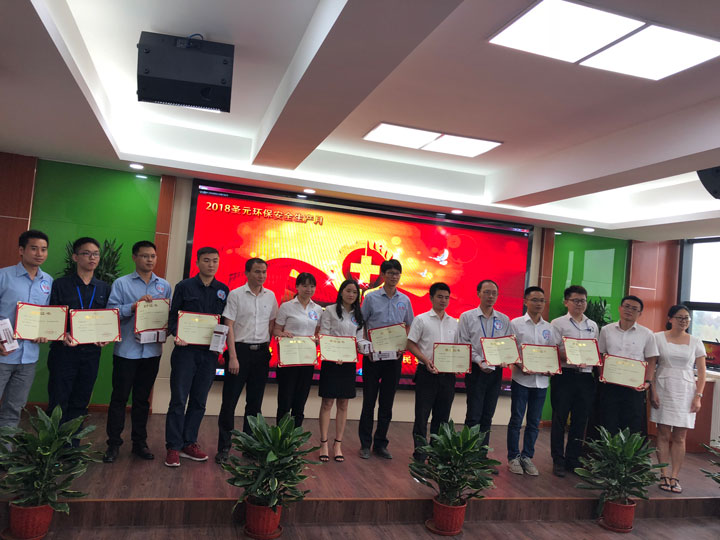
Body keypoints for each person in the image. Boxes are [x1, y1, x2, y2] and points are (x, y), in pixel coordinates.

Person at [103, 241, 171, 463]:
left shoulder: (164, 286)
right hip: (127, 352)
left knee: (142, 400)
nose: (149, 260)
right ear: (134, 257)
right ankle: (113, 444)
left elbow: (167, 316)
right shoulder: (121, 283)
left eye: (153, 256)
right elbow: (111, 312)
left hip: (152, 352)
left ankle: (139, 443)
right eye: (144, 256)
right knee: (119, 399)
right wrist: (133, 306)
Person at [165, 247, 229, 467]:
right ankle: (173, 447)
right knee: (178, 400)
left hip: (209, 354)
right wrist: (177, 334)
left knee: (199, 401)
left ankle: (189, 443)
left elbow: (224, 322)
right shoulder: (184, 286)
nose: (211, 265)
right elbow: (173, 316)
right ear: (197, 262)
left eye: (215, 261)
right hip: (186, 352)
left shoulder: (223, 290)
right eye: (207, 260)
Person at [215, 257, 277, 464]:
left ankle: (249, 446)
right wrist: (232, 356)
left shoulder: (270, 296)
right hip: (239, 352)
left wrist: (269, 347)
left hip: (261, 353)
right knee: (229, 402)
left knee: (255, 403)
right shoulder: (236, 294)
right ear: (247, 273)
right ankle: (224, 447)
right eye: (257, 271)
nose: (261, 276)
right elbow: (229, 325)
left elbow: (272, 324)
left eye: (264, 272)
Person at [47, 237, 111, 428]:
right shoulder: (60, 285)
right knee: (58, 401)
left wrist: (105, 336)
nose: (92, 258)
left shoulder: (103, 288)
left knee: (81, 401)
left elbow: (106, 319)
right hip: (64, 352)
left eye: (96, 254)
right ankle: (54, 444)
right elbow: (51, 317)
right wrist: (62, 334)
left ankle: (73, 443)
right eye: (86, 253)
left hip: (91, 353)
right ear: (75, 257)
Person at [358, 259, 414, 460]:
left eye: (397, 273)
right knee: (369, 402)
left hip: (394, 358)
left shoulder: (405, 300)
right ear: (382, 275)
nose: (393, 276)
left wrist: (403, 345)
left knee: (387, 403)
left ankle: (381, 444)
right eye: (390, 273)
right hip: (373, 357)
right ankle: (365, 444)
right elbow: (362, 323)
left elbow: (409, 325)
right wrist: (366, 347)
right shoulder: (371, 298)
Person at [650, 305, 707, 494]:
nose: (684, 321)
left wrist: (698, 396)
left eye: (687, 318)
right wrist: (652, 391)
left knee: (680, 437)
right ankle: (663, 474)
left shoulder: (696, 341)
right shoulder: (657, 337)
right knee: (663, 434)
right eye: (680, 317)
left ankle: (675, 476)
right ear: (670, 319)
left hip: (686, 390)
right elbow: (651, 366)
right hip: (663, 387)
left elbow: (702, 372)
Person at [0, 230, 52, 428]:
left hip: (28, 358)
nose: (39, 253)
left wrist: (45, 332)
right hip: (3, 354)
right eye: (34, 248)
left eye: (44, 249)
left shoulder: (48, 281)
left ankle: (6, 447)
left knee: (14, 409)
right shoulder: (3, 276)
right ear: (21, 250)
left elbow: (47, 316)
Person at [507, 286, 560, 476]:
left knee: (534, 422)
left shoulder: (550, 328)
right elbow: (510, 350)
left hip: (541, 382)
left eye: (542, 300)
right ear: (525, 301)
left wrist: (552, 368)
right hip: (521, 379)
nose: (539, 304)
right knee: (516, 419)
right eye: (535, 300)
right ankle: (513, 457)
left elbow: (552, 352)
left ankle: (527, 457)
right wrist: (522, 365)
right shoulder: (515, 324)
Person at [549, 285, 599, 477]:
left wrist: (588, 357)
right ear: (566, 302)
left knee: (580, 420)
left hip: (585, 377)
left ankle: (573, 459)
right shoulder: (558, 323)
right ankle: (558, 460)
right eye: (576, 300)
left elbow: (595, 350)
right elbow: (553, 349)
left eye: (583, 301)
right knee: (559, 419)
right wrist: (571, 355)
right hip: (565, 376)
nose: (580, 304)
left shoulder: (592, 325)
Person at [457, 279, 512, 448]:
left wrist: (506, 358)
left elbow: (508, 344)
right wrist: (479, 360)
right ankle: (468, 455)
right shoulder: (467, 317)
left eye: (494, 293)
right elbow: (463, 344)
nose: (490, 296)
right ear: (478, 294)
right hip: (476, 370)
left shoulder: (504, 319)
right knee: (474, 415)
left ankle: (482, 454)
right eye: (487, 292)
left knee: (488, 415)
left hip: (496, 371)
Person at [407, 282, 457, 461]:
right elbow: (410, 344)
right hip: (426, 373)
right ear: (431, 298)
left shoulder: (454, 323)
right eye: (439, 297)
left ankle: (436, 454)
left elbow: (459, 348)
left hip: (448, 376)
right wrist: (425, 359)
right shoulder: (421, 319)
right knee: (422, 416)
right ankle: (420, 452)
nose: (443, 300)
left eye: (446, 297)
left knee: (442, 417)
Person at [317, 279, 366, 463]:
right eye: (348, 291)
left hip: (348, 362)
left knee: (343, 404)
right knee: (327, 403)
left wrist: (365, 347)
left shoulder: (359, 315)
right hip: (331, 362)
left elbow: (358, 339)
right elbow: (324, 334)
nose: (351, 294)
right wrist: (334, 353)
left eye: (354, 292)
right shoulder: (330, 311)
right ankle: (323, 443)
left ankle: (337, 444)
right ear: (341, 292)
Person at [597, 295, 658, 435]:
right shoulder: (606, 330)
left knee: (632, 424)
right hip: (610, 385)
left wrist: (648, 382)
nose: (629, 310)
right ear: (620, 308)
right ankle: (608, 450)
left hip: (634, 386)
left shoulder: (647, 334)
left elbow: (651, 360)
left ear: (640, 313)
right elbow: (600, 354)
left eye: (634, 309)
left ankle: (628, 451)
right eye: (627, 306)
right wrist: (602, 375)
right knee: (608, 421)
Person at [274, 272, 321, 428]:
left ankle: (295, 437)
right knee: (285, 401)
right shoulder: (286, 306)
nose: (309, 289)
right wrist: (282, 334)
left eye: (312, 286)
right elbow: (276, 330)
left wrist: (318, 339)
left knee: (300, 402)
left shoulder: (318, 309)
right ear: (297, 287)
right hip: (289, 360)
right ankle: (281, 437)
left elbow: (318, 332)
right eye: (305, 285)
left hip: (307, 360)